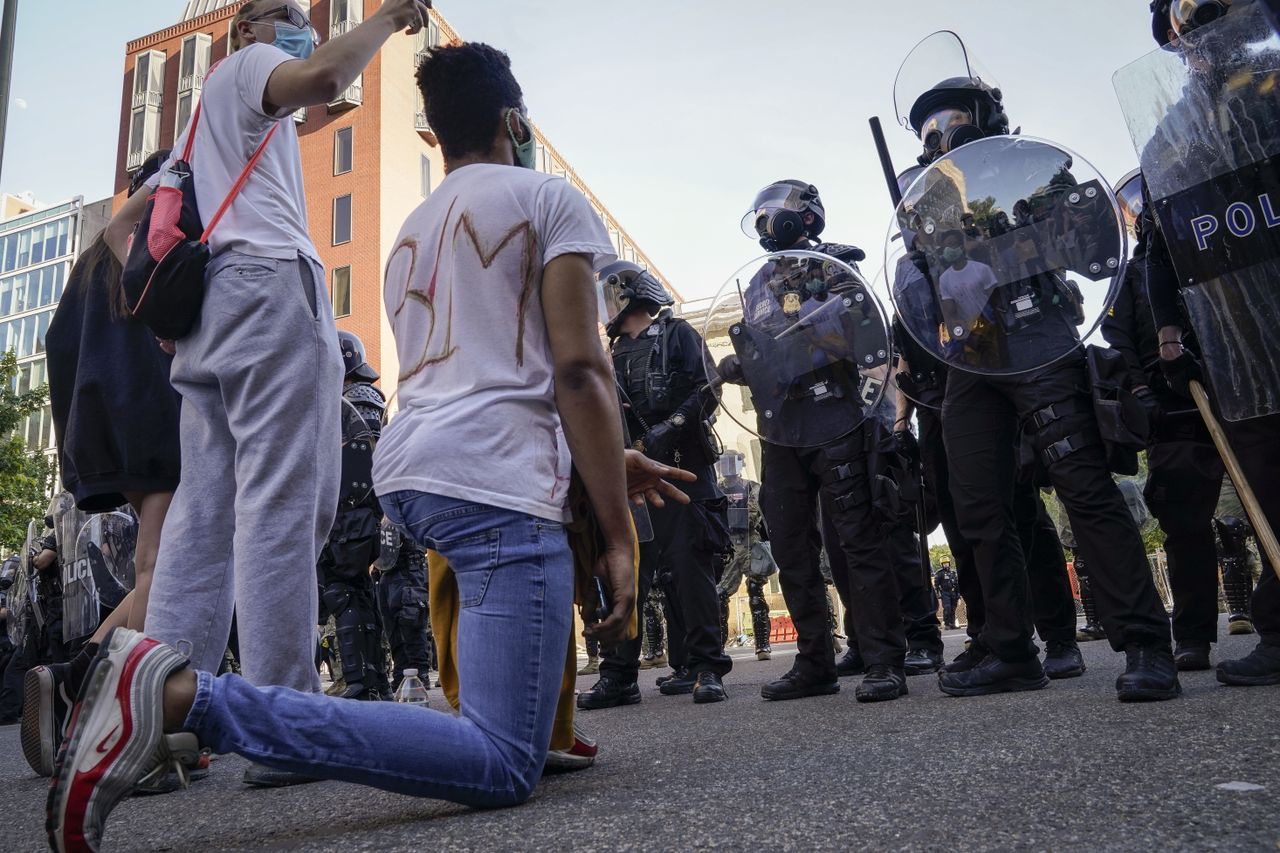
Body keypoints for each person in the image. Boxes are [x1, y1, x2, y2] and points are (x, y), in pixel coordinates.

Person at [48, 39, 645, 851]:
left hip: (417, 480)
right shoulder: (547, 200)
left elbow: (476, 372)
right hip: (496, 485)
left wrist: (598, 461)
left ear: (432, 135)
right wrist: (617, 531)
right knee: (506, 761)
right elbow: (578, 370)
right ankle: (183, 698)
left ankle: (183, 694)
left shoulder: (408, 232)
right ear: (515, 122)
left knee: (500, 716)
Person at [100, 0, 435, 720]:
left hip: (210, 312)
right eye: (283, 12)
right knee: (281, 502)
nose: (301, 23)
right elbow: (325, 77)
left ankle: (163, 712)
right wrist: (389, 19)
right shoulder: (247, 65)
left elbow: (117, 232)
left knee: (203, 515)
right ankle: (283, 712)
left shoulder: (194, 130)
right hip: (267, 286)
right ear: (245, 28)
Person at [897, 49, 1177, 700]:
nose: (938, 135)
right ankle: (1010, 645)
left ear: (986, 114)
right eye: (927, 129)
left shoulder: (1030, 168)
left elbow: (1098, 247)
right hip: (973, 352)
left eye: (949, 118)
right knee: (977, 506)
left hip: (1041, 335)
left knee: (1081, 483)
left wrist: (1040, 231)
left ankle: (1145, 641)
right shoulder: (931, 197)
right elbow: (922, 280)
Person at [21, 149, 185, 777]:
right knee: (162, 567)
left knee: (157, 567)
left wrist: (81, 444)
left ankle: (74, 677)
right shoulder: (157, 237)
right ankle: (110, 712)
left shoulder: (92, 259)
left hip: (108, 425)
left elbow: (58, 340)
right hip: (157, 412)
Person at [718, 180, 911, 703]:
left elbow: (864, 336)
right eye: (759, 217)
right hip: (783, 425)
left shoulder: (835, 267)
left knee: (857, 537)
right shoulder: (759, 282)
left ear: (804, 215)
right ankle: (814, 661)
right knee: (789, 544)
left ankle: (883, 659)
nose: (766, 224)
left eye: (774, 214)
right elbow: (765, 346)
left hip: (838, 415)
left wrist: (801, 340)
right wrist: (744, 363)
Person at [1135, 0, 1280, 687]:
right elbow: (1158, 250)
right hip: (1235, 335)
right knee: (1265, 479)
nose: (1196, 35)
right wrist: (1168, 328)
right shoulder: (1171, 137)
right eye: (1184, 27)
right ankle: (1279, 627)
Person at [578, 262, 732, 709]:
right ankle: (619, 675)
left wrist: (674, 424)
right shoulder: (607, 351)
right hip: (629, 479)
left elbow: (710, 386)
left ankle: (705, 667)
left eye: (607, 294)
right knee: (631, 574)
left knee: (689, 569)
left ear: (628, 293)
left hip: (683, 468)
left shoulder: (676, 333)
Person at [314, 330, 389, 705]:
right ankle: (374, 681)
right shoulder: (361, 401)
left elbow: (354, 459)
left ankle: (361, 682)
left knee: (342, 592)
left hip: (349, 513)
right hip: (360, 513)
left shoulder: (349, 400)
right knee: (357, 592)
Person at [715, 451, 774, 660]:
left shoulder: (750, 487)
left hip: (750, 542)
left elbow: (753, 513)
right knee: (720, 595)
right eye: (724, 463)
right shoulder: (717, 488)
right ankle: (719, 648)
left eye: (731, 463)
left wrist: (732, 518)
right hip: (728, 546)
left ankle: (762, 645)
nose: (727, 468)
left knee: (755, 591)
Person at [375, 516, 436, 690]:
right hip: (388, 571)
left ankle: (419, 674)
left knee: (411, 623)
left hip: (409, 567)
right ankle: (401, 674)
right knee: (392, 628)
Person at [935, 561, 960, 629]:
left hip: (953, 592)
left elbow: (957, 584)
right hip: (945, 593)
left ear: (949, 563)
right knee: (947, 608)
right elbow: (936, 585)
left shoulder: (953, 572)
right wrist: (938, 594)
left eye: (947, 563)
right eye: (944, 564)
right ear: (942, 565)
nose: (946, 565)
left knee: (953, 608)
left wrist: (958, 595)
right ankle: (947, 624)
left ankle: (952, 624)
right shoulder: (940, 573)